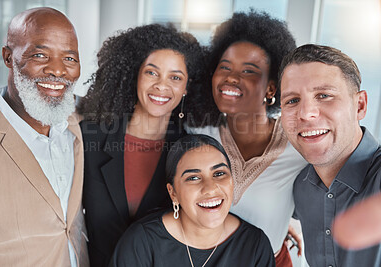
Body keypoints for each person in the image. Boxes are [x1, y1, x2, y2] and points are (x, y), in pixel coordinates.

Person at [186, 10, 307, 266]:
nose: (231, 77)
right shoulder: (196, 133)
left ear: (272, 88)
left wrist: (279, 226)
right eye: (225, 67)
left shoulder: (300, 144)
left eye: (249, 71)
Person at [77, 24, 204, 267]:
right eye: (151, 72)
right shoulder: (90, 136)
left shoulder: (190, 151)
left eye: (175, 77)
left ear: (186, 87)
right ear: (135, 74)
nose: (161, 85)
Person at [0, 7, 88, 266]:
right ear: (8, 57)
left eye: (70, 58)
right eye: (40, 55)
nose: (57, 70)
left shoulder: (79, 120)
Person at [279, 44, 381, 267]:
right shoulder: (300, 186)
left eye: (324, 95)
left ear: (360, 105)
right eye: (292, 101)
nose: (306, 113)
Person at [111, 134, 275, 266]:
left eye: (219, 174)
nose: (210, 188)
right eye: (193, 178)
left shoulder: (255, 245)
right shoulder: (142, 242)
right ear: (173, 192)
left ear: (232, 181)